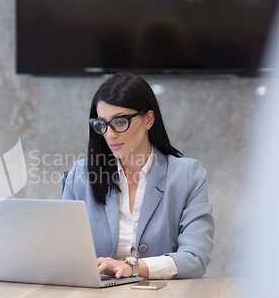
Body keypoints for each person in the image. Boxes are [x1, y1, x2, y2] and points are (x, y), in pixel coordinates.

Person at [62, 72, 214, 279]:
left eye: (120, 122)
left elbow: (195, 258)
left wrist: (133, 267)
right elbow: (64, 252)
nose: (110, 134)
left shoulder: (187, 175)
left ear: (149, 119)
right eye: (102, 124)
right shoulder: (80, 175)